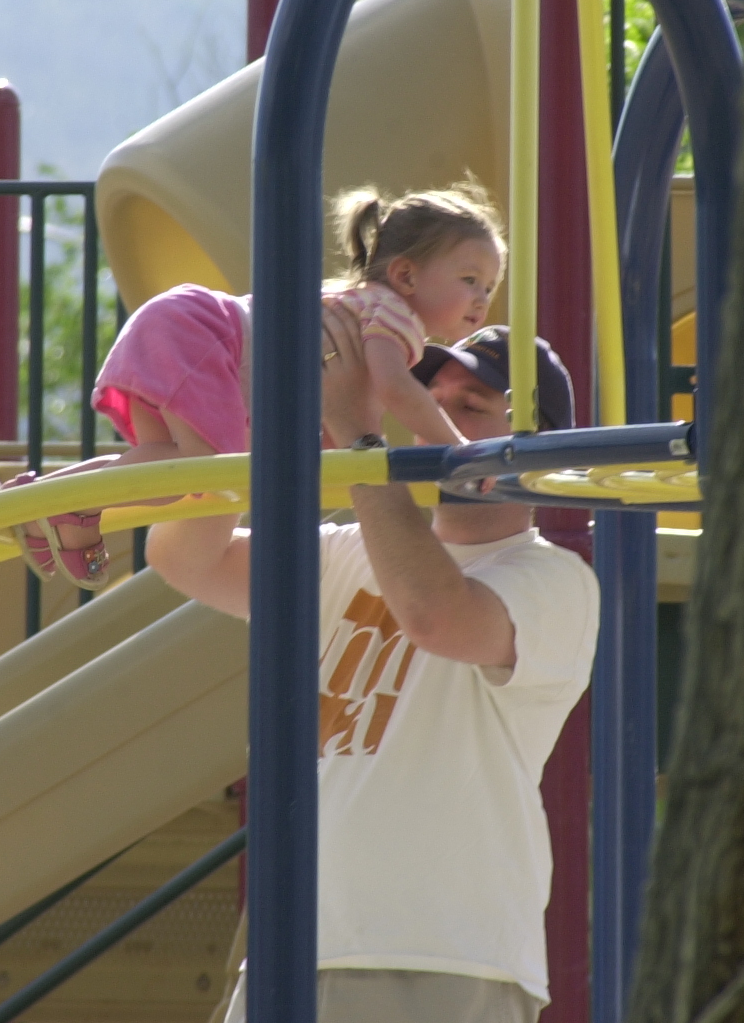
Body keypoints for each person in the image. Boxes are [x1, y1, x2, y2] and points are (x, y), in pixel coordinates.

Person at [148, 311, 600, 1023]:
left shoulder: (555, 580)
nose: (434, 422)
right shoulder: (349, 551)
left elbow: (434, 615)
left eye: (470, 406)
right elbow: (186, 560)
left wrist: (362, 444)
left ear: (535, 448)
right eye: (426, 400)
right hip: (297, 944)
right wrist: (218, 422)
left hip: (439, 956)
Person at [0, 183, 506, 584]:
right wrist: (457, 450)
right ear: (407, 275)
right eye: (469, 280)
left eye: (489, 286)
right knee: (196, 471)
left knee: (168, 470)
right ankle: (64, 504)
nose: (482, 299)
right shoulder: (394, 317)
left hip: (188, 325)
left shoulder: (358, 304)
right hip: (206, 338)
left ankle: (47, 502)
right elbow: (398, 391)